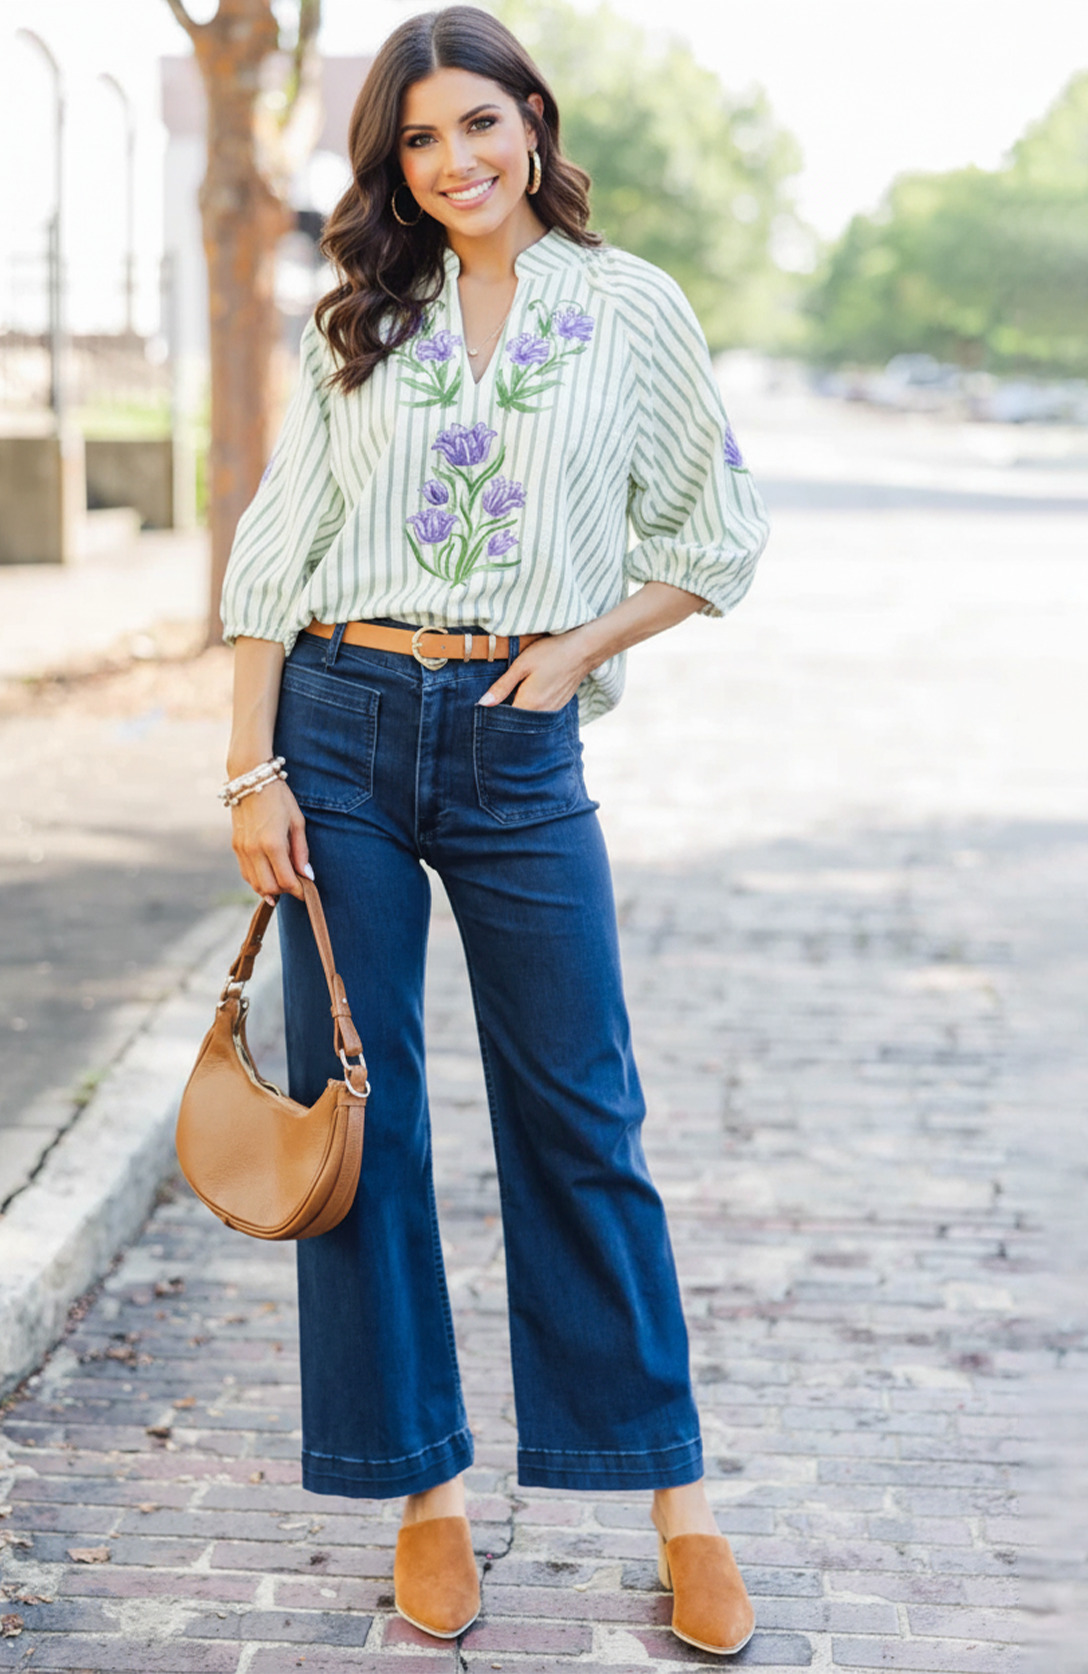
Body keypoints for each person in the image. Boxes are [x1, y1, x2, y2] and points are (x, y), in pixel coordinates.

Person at [219, 5, 769, 1655]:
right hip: (341, 727)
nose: (453, 161)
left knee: (584, 1109)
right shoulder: (363, 322)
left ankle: (677, 1495)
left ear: (533, 121)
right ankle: (425, 1493)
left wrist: (584, 651)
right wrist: (251, 772)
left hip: (520, 743)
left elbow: (719, 530)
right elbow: (274, 547)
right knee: (362, 1114)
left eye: (479, 124)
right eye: (418, 138)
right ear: (394, 161)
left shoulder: (631, 310)